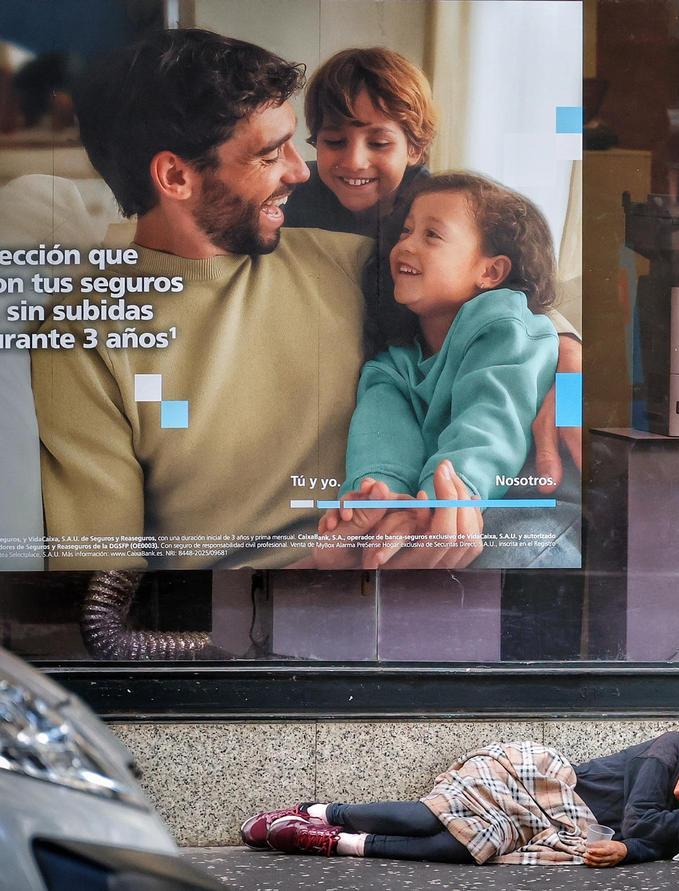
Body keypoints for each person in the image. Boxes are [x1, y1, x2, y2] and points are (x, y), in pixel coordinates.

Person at [28, 28, 577, 571]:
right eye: (270, 154)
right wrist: (315, 583)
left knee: (537, 548)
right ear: (175, 175)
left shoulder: (344, 260)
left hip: (418, 551)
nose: (300, 170)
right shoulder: (85, 336)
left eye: (295, 143)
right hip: (249, 620)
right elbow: (101, 592)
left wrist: (568, 351)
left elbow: (504, 302)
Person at [312, 172, 568, 569]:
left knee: (500, 559)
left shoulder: (506, 323)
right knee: (390, 555)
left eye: (432, 236)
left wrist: (439, 498)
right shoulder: (393, 366)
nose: (406, 245)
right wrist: (380, 496)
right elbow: (382, 439)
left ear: (491, 273)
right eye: (406, 231)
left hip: (531, 499)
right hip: (451, 503)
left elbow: (491, 420)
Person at [239, 731, 679, 866]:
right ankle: (312, 811)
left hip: (546, 824)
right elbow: (639, 821)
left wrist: (634, 849)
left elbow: (649, 838)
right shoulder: (673, 749)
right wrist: (640, 841)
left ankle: (333, 843)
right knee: (432, 816)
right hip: (530, 777)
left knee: (471, 847)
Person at [283, 47, 434, 240]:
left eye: (379, 143)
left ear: (415, 147)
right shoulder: (290, 193)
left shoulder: (439, 212)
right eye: (334, 142)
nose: (354, 162)